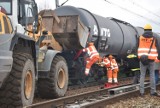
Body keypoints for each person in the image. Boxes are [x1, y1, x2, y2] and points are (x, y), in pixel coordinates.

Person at [137, 24, 160, 97]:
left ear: (144, 30)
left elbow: (136, 48)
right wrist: (159, 57)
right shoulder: (154, 38)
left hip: (142, 59)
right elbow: (158, 49)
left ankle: (141, 92)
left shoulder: (140, 38)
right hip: (151, 60)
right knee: (152, 75)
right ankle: (153, 92)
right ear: (151, 30)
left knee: (142, 75)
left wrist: (139, 57)